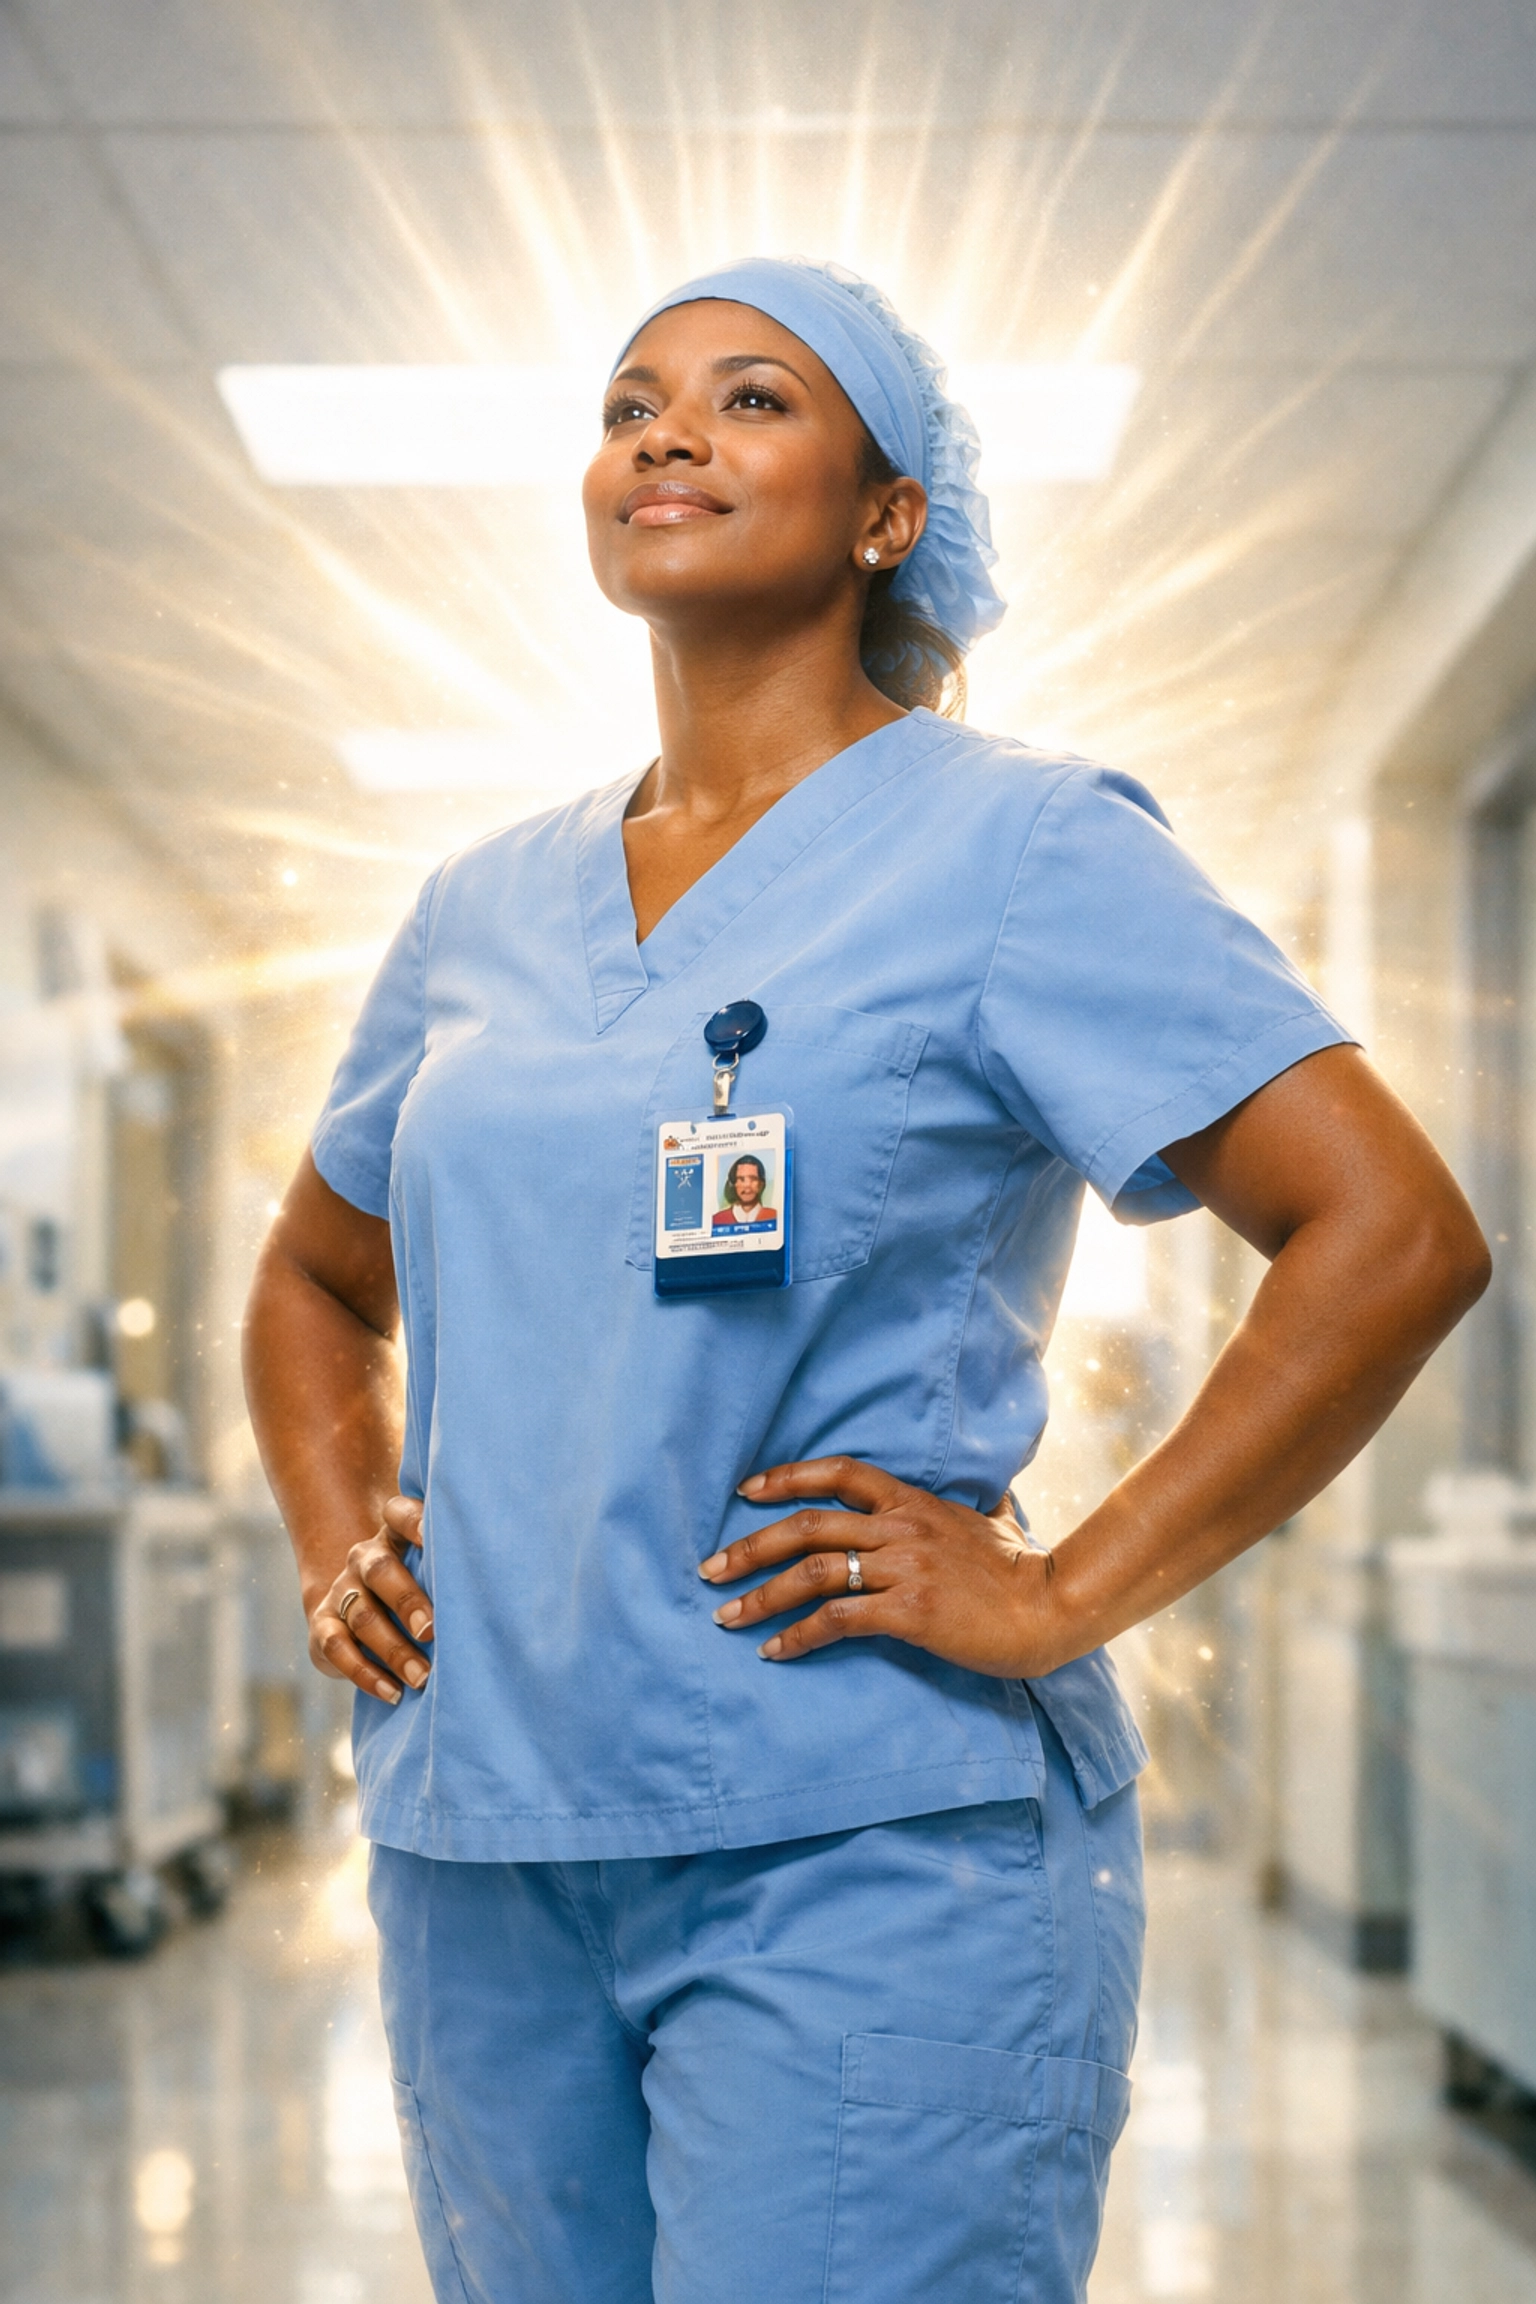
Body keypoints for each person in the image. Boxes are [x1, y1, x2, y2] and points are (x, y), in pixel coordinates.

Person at [243, 256, 1489, 2304]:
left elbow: (1392, 1235)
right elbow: (312, 1273)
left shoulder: (1024, 848)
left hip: (868, 1848)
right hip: (490, 1852)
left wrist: (1062, 1589)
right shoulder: (476, 910)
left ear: (889, 513)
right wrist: (328, 1536)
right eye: (633, 397)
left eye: (751, 401)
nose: (666, 431)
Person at [712, 1152, 777, 1228]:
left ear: (761, 1184)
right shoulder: (717, 1220)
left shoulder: (773, 1216)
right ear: (733, 1184)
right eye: (741, 1179)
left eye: (753, 1179)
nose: (747, 1185)